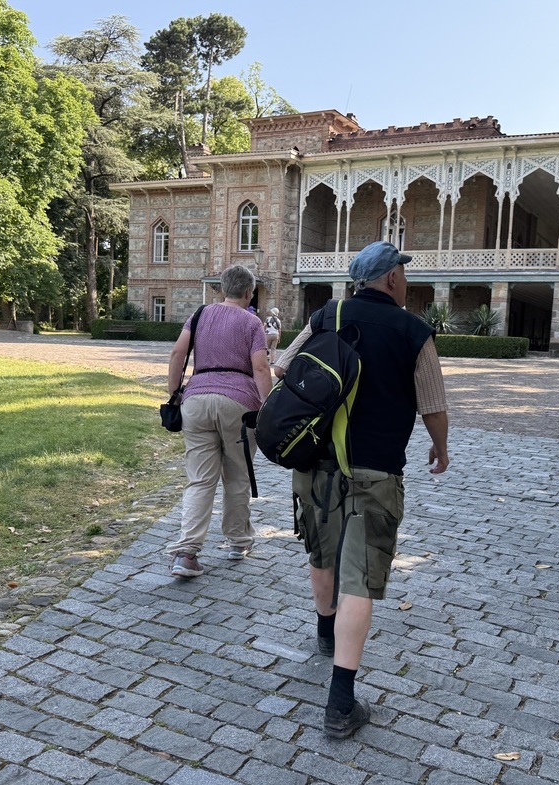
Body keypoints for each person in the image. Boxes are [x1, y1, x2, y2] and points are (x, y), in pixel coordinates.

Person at [273, 240, 450, 738]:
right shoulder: (413, 331)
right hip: (375, 473)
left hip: (315, 465)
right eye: (404, 274)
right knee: (360, 580)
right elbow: (432, 403)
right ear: (392, 278)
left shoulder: (327, 315)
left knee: (321, 552)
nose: (406, 281)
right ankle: (340, 704)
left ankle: (325, 634)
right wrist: (440, 447)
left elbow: (283, 366)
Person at [166, 265, 273, 578]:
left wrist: (174, 394)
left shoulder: (199, 315)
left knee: (200, 479)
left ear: (223, 289)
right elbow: (261, 368)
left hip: (196, 400)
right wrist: (268, 406)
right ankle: (238, 542)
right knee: (237, 475)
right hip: (238, 404)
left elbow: (177, 354)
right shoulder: (252, 322)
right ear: (249, 292)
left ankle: (186, 553)